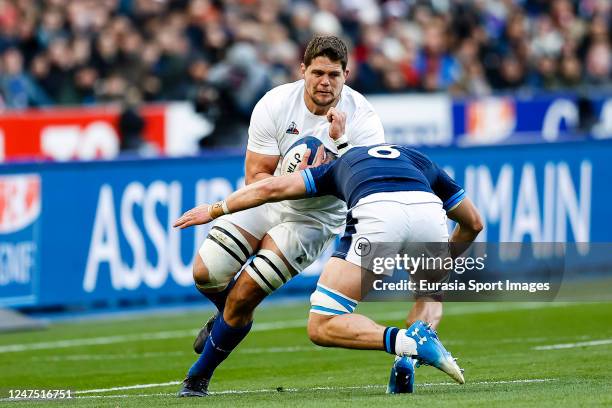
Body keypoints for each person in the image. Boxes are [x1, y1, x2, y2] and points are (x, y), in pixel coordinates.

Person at [175, 142, 483, 393]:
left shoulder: (335, 167)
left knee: (323, 324)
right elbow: (473, 223)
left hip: (378, 215)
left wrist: (214, 209)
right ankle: (410, 357)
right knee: (428, 296)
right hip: (428, 212)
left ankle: (408, 344)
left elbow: (269, 190)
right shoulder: (417, 158)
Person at [176, 35, 386, 396]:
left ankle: (198, 377)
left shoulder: (364, 120)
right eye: (317, 72)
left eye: (334, 75)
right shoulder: (275, 104)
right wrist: (293, 179)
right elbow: (256, 175)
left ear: (346, 75)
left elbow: (360, 187)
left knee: (245, 292)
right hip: (268, 198)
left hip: (314, 218)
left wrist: (338, 147)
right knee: (204, 272)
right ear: (302, 70)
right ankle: (229, 319)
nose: (325, 82)